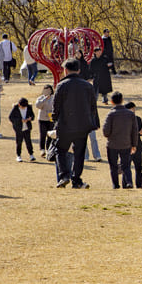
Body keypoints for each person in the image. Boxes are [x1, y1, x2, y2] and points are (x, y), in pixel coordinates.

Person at [52, 58, 98, 189]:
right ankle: (76, 180)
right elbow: (93, 106)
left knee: (60, 150)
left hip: (65, 124)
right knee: (79, 154)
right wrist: (92, 122)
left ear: (65, 70)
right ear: (78, 70)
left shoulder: (61, 85)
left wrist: (55, 121)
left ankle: (64, 175)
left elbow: (56, 107)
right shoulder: (88, 85)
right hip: (83, 125)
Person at [102, 92, 139, 189]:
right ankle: (129, 182)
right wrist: (134, 144)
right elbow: (134, 130)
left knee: (113, 166)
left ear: (112, 101)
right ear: (122, 100)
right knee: (126, 165)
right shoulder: (130, 114)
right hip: (126, 144)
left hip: (112, 144)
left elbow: (105, 131)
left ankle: (115, 185)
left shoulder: (111, 114)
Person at [126, 101, 142, 188]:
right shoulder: (124, 120)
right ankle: (127, 183)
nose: (134, 110)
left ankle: (139, 185)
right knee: (126, 167)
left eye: (134, 109)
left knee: (139, 167)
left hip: (138, 145)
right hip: (127, 146)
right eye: (132, 109)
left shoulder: (138, 119)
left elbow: (141, 132)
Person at [8, 97, 36, 161]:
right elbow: (11, 117)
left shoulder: (29, 107)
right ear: (19, 105)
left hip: (27, 127)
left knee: (28, 141)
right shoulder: (15, 108)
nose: (24, 108)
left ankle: (31, 155)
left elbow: (33, 116)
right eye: (22, 107)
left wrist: (29, 119)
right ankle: (18, 155)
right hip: (18, 128)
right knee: (19, 142)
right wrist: (20, 120)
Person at [35, 84, 54, 157]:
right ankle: (42, 149)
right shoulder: (40, 98)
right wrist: (45, 99)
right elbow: (38, 106)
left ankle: (49, 149)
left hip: (51, 119)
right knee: (42, 134)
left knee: (50, 135)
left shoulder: (53, 98)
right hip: (42, 118)